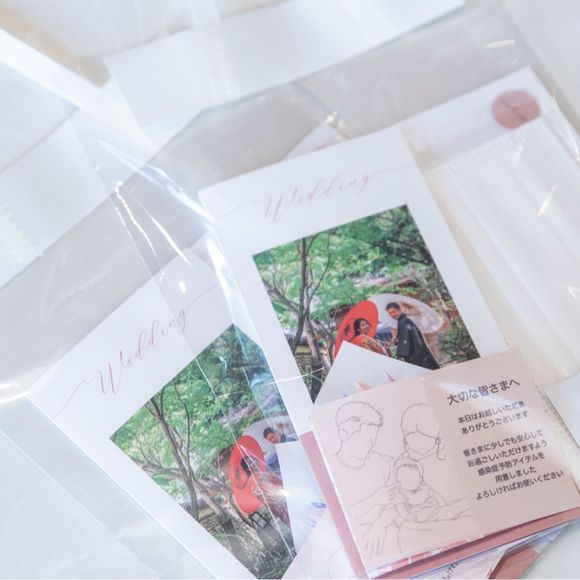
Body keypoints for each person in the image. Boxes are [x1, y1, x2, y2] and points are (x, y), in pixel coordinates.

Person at [386, 302, 439, 369]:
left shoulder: (403, 322)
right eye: (390, 313)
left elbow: (405, 341)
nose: (392, 314)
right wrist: (396, 338)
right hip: (418, 352)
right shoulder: (402, 321)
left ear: (399, 310)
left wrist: (400, 353)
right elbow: (406, 337)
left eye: (394, 311)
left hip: (416, 354)